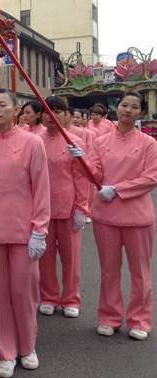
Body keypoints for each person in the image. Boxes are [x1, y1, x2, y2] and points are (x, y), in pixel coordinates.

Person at [75, 92, 157, 340]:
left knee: (140, 272)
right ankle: (108, 317)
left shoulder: (149, 144)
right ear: (117, 108)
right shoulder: (101, 142)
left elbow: (151, 178)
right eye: (124, 105)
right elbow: (96, 176)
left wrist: (118, 190)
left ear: (140, 113)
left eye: (134, 107)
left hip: (137, 217)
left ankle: (140, 320)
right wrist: (81, 160)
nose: (128, 110)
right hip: (106, 217)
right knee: (109, 270)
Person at [0, 89, 50, 378]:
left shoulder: (32, 142)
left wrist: (40, 229)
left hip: (24, 230)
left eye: (2, 105)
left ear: (15, 109)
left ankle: (28, 346)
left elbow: (41, 188)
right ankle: (5, 351)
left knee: (24, 292)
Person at [37, 96, 89, 318]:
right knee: (45, 258)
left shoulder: (74, 141)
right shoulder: (34, 140)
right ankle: (49, 296)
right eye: (48, 111)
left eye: (58, 111)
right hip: (42, 208)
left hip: (68, 207)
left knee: (71, 257)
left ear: (67, 115)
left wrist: (82, 207)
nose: (52, 116)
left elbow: (82, 177)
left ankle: (70, 298)